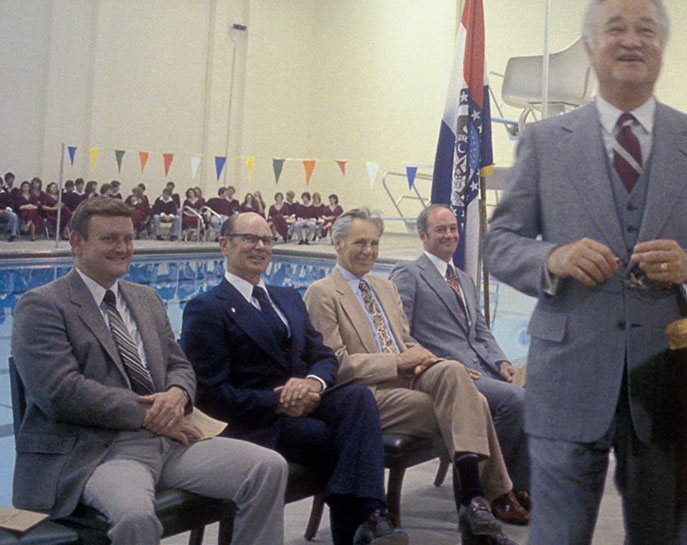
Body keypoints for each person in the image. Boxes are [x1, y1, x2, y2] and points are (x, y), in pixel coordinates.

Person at [483, 0, 687, 545]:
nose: (631, 40)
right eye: (615, 28)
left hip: (665, 383)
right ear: (590, 47)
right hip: (565, 380)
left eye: (646, 30)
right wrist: (553, 256)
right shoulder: (543, 141)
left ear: (663, 47)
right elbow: (500, 242)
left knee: (664, 535)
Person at [10, 198, 288, 545]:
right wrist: (151, 414)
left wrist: (177, 394)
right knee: (135, 516)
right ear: (77, 243)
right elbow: (61, 392)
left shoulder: (145, 298)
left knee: (267, 468)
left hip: (170, 440)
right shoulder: (43, 305)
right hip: (100, 452)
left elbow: (179, 364)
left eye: (128, 239)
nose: (123, 248)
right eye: (109, 239)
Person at [181, 212, 408, 545]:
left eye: (266, 240)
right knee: (347, 440)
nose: (260, 247)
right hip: (258, 420)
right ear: (224, 245)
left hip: (308, 400)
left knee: (359, 398)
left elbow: (324, 356)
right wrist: (281, 401)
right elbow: (212, 395)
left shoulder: (287, 297)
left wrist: (312, 383)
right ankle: (368, 520)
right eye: (250, 239)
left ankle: (367, 522)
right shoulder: (206, 308)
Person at [303, 208, 519, 545]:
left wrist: (423, 357)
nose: (369, 251)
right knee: (474, 403)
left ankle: (473, 502)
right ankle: (479, 501)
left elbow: (405, 341)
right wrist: (399, 363)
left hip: (406, 378)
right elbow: (336, 365)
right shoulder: (322, 293)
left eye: (374, 243)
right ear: (337, 243)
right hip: (367, 393)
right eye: (360, 243)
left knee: (452, 370)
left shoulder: (384, 287)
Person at [389, 205, 529, 523]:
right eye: (441, 229)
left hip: (484, 366)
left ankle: (522, 488)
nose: (450, 235)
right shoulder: (409, 273)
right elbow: (401, 335)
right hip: (448, 373)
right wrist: (440, 365)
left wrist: (503, 361)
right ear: (423, 235)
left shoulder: (464, 279)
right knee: (515, 401)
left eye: (453, 228)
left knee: (534, 389)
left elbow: (480, 330)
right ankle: (496, 495)